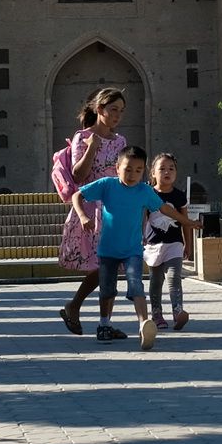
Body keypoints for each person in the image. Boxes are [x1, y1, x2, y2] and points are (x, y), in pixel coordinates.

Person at [52, 88, 128, 336]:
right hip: (90, 209)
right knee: (104, 266)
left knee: (112, 266)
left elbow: (123, 177)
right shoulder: (82, 138)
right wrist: (91, 148)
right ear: (99, 110)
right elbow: (78, 175)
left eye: (121, 110)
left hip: (114, 209)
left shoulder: (120, 142)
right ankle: (75, 307)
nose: (117, 115)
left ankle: (101, 322)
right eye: (113, 109)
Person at [70, 146, 163, 344]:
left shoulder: (144, 191)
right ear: (117, 167)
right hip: (108, 250)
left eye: (138, 171)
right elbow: (77, 195)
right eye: (128, 169)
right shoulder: (107, 185)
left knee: (136, 284)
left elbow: (162, 208)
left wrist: (186, 221)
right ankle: (104, 325)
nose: (132, 175)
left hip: (132, 250)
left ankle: (143, 325)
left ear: (144, 171)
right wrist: (83, 216)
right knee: (107, 289)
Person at [140, 152, 199, 339]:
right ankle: (156, 314)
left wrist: (188, 245)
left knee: (174, 277)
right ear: (153, 173)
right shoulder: (148, 194)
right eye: (162, 168)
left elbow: (185, 222)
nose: (167, 172)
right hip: (153, 245)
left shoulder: (179, 196)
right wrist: (140, 238)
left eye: (171, 168)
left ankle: (178, 312)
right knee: (156, 281)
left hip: (174, 244)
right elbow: (142, 217)